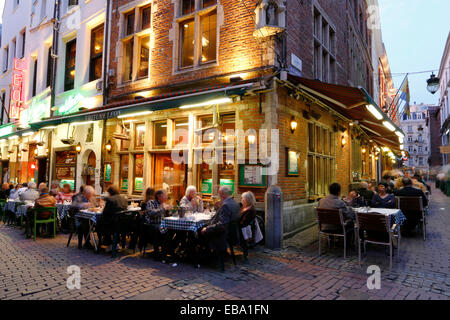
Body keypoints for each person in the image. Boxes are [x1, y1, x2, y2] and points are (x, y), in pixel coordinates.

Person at [200, 186, 241, 271]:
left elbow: (222, 225)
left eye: (219, 194)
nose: (218, 196)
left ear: (223, 194)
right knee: (203, 228)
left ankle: (201, 258)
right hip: (231, 234)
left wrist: (207, 229)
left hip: (221, 236)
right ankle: (208, 255)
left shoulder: (226, 205)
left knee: (198, 232)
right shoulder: (235, 203)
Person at [144, 190, 173, 260]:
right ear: (159, 196)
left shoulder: (164, 204)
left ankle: (167, 252)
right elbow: (152, 213)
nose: (166, 197)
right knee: (160, 230)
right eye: (165, 195)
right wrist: (163, 208)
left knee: (173, 230)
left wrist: (169, 211)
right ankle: (158, 254)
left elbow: (167, 216)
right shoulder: (151, 203)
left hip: (162, 225)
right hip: (152, 224)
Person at [239, 191, 257, 262]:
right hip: (242, 228)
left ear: (247, 200)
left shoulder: (250, 210)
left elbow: (243, 223)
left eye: (242, 199)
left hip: (241, 231)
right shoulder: (246, 208)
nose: (241, 200)